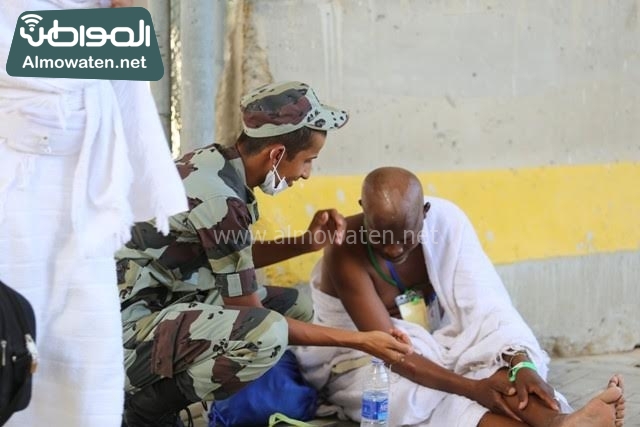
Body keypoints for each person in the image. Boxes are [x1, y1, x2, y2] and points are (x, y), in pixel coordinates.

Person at [116, 81, 412, 426]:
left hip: (165, 298)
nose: (306, 174)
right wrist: (362, 341)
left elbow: (233, 257)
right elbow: (249, 313)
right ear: (276, 155)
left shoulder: (215, 163)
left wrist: (306, 242)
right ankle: (147, 408)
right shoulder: (221, 200)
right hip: (128, 328)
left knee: (293, 305)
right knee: (266, 333)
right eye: (308, 161)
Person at [293, 166, 626, 427]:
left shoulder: (447, 223)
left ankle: (559, 421)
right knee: (421, 396)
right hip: (363, 359)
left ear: (425, 213)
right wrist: (472, 388)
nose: (394, 249)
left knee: (495, 363)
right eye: (381, 236)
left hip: (437, 343)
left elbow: (490, 310)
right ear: (362, 210)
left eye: (405, 238)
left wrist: (520, 362)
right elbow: (387, 349)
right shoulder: (343, 248)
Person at [0, 1, 188, 426]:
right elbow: (123, 42)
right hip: (14, 183)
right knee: (9, 344)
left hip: (86, 196)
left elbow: (127, 42)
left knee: (85, 370)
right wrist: (113, 36)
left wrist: (116, 32)